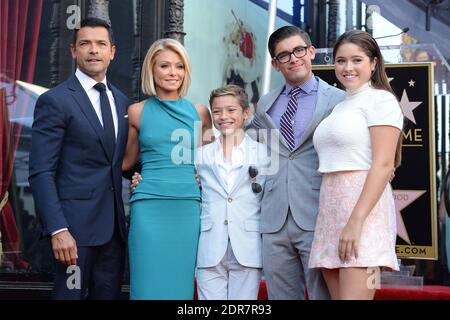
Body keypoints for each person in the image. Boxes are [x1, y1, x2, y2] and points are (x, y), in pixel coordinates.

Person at [29, 17, 130, 299]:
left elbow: (122, 162)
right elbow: (41, 172)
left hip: (113, 233)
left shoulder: (123, 102)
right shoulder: (55, 100)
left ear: (113, 52)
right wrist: (58, 228)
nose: (93, 50)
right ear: (73, 51)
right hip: (73, 233)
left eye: (101, 44)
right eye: (85, 44)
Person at [246, 25, 345, 300]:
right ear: (275, 64)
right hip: (273, 218)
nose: (294, 58)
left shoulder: (339, 100)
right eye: (284, 55)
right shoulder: (265, 103)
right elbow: (244, 146)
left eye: (299, 50)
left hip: (317, 214)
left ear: (311, 51)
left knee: (322, 295)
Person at [308, 29, 403, 300]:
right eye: (341, 60)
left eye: (357, 60)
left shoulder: (381, 100)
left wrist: (356, 222)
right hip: (330, 211)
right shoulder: (340, 106)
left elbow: (384, 166)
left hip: (362, 213)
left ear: (373, 63)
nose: (348, 67)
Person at [122, 38, 212, 300]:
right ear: (152, 70)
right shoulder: (137, 112)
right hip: (148, 206)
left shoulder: (200, 113)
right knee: (146, 286)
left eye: (179, 66)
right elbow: (126, 163)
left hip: (187, 207)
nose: (173, 72)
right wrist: (135, 176)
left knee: (179, 287)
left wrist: (202, 175)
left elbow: (215, 161)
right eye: (165, 66)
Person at [195, 85, 269, 300]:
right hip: (210, 245)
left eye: (231, 110)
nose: (223, 116)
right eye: (217, 111)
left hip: (247, 244)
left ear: (246, 113)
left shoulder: (264, 154)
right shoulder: (199, 156)